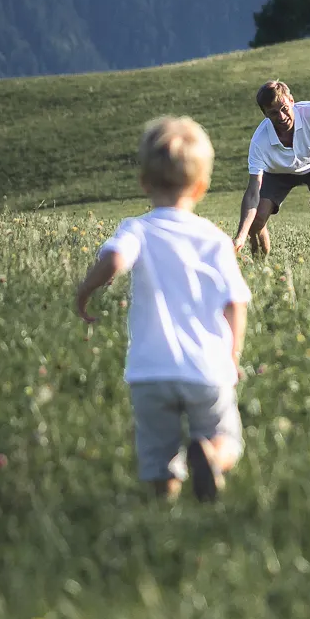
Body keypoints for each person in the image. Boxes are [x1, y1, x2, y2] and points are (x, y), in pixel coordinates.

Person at [75, 116, 250, 502]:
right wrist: (233, 354)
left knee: (159, 456)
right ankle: (212, 458)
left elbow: (116, 259)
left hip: (150, 371)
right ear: (202, 186)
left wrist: (85, 290)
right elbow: (236, 301)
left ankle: (163, 510)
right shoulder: (215, 238)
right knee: (226, 439)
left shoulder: (137, 228)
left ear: (144, 182)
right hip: (207, 369)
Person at [232, 80, 310, 279]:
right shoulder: (260, 141)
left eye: (284, 108)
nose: (281, 117)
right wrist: (240, 236)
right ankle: (261, 270)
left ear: (292, 101)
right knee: (256, 221)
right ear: (265, 114)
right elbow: (253, 192)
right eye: (273, 113)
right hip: (278, 171)